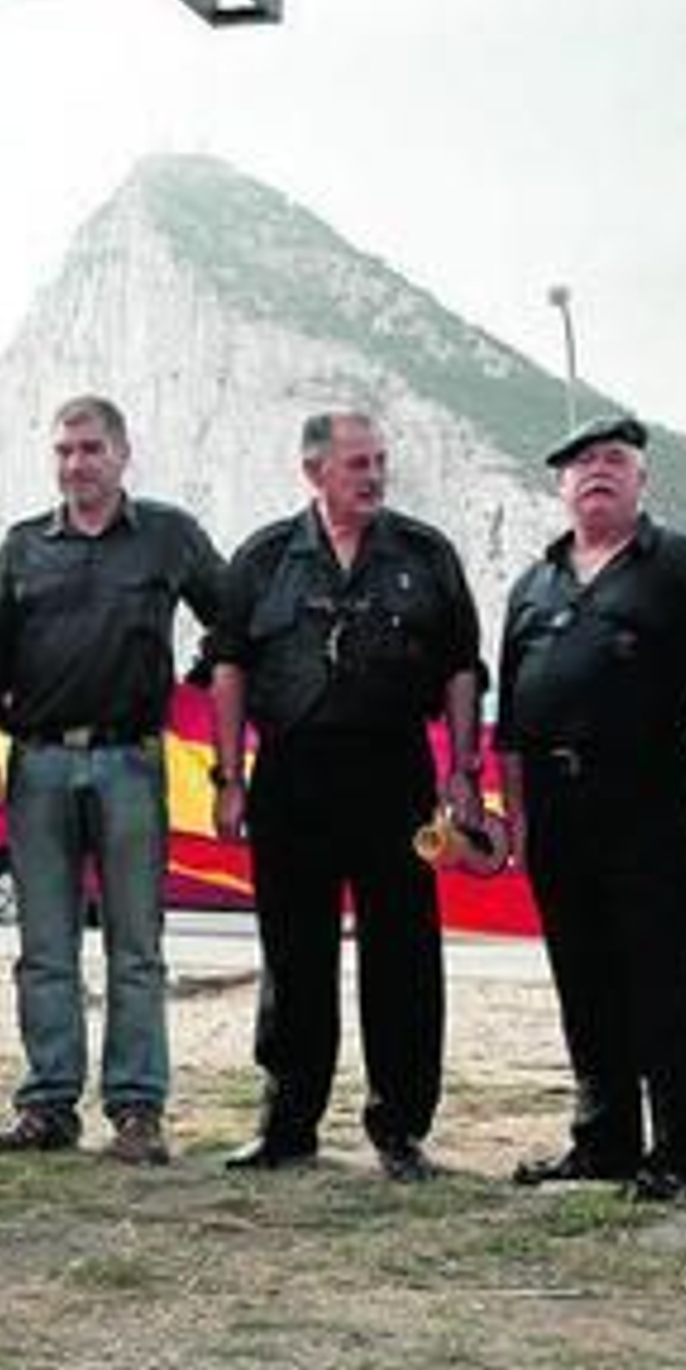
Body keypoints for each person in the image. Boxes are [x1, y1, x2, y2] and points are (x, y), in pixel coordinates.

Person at [496, 415, 686, 1202]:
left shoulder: (683, 566)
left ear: (641, 480)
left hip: (650, 798)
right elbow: (513, 719)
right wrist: (515, 818)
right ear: (562, 486)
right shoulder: (534, 586)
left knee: (668, 980)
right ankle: (605, 1143)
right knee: (584, 978)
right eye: (582, 463)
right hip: (555, 806)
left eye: (614, 459)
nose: (598, 472)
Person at [209, 411, 483, 1183]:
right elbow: (227, 665)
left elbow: (462, 665)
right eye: (357, 463)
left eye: (379, 462)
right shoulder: (263, 558)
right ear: (314, 472)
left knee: (403, 955)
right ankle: (288, 1125)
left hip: (394, 774)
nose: (373, 476)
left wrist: (463, 769)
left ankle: (400, 1129)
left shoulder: (426, 553)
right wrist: (229, 779)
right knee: (294, 958)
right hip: (291, 774)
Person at [0, 395, 222, 1166]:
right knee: (44, 948)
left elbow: (232, 615)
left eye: (90, 449)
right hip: (36, 766)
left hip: (131, 765)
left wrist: (197, 680)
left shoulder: (169, 538)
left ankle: (137, 1112)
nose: (76, 464)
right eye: (65, 451)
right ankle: (48, 1105)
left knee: (136, 949)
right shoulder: (21, 548)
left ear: (122, 453)